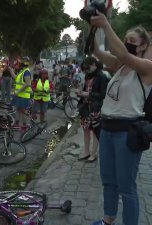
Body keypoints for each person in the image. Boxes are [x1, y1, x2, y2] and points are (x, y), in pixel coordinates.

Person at [90, 11, 152, 225]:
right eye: (125, 40)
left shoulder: (146, 68)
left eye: (132, 40)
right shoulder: (119, 67)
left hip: (127, 132)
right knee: (108, 181)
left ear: (143, 45)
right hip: (107, 130)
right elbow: (97, 52)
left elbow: (125, 55)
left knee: (126, 187)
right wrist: (93, 29)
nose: (127, 43)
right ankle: (108, 219)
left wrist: (106, 25)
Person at [76, 57, 108, 164]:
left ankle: (93, 154)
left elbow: (103, 95)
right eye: (85, 69)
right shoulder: (87, 76)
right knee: (86, 129)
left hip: (96, 108)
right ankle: (86, 152)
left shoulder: (102, 76)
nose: (87, 70)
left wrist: (88, 94)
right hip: (85, 107)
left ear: (94, 64)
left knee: (95, 131)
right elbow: (86, 89)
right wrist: (81, 92)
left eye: (88, 67)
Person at [9, 57, 32, 129]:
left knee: (22, 110)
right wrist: (11, 71)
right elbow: (16, 78)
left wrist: (18, 91)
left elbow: (27, 83)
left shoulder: (26, 72)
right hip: (19, 94)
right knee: (18, 109)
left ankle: (24, 125)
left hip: (23, 95)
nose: (19, 63)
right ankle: (17, 123)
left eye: (21, 62)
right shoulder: (23, 71)